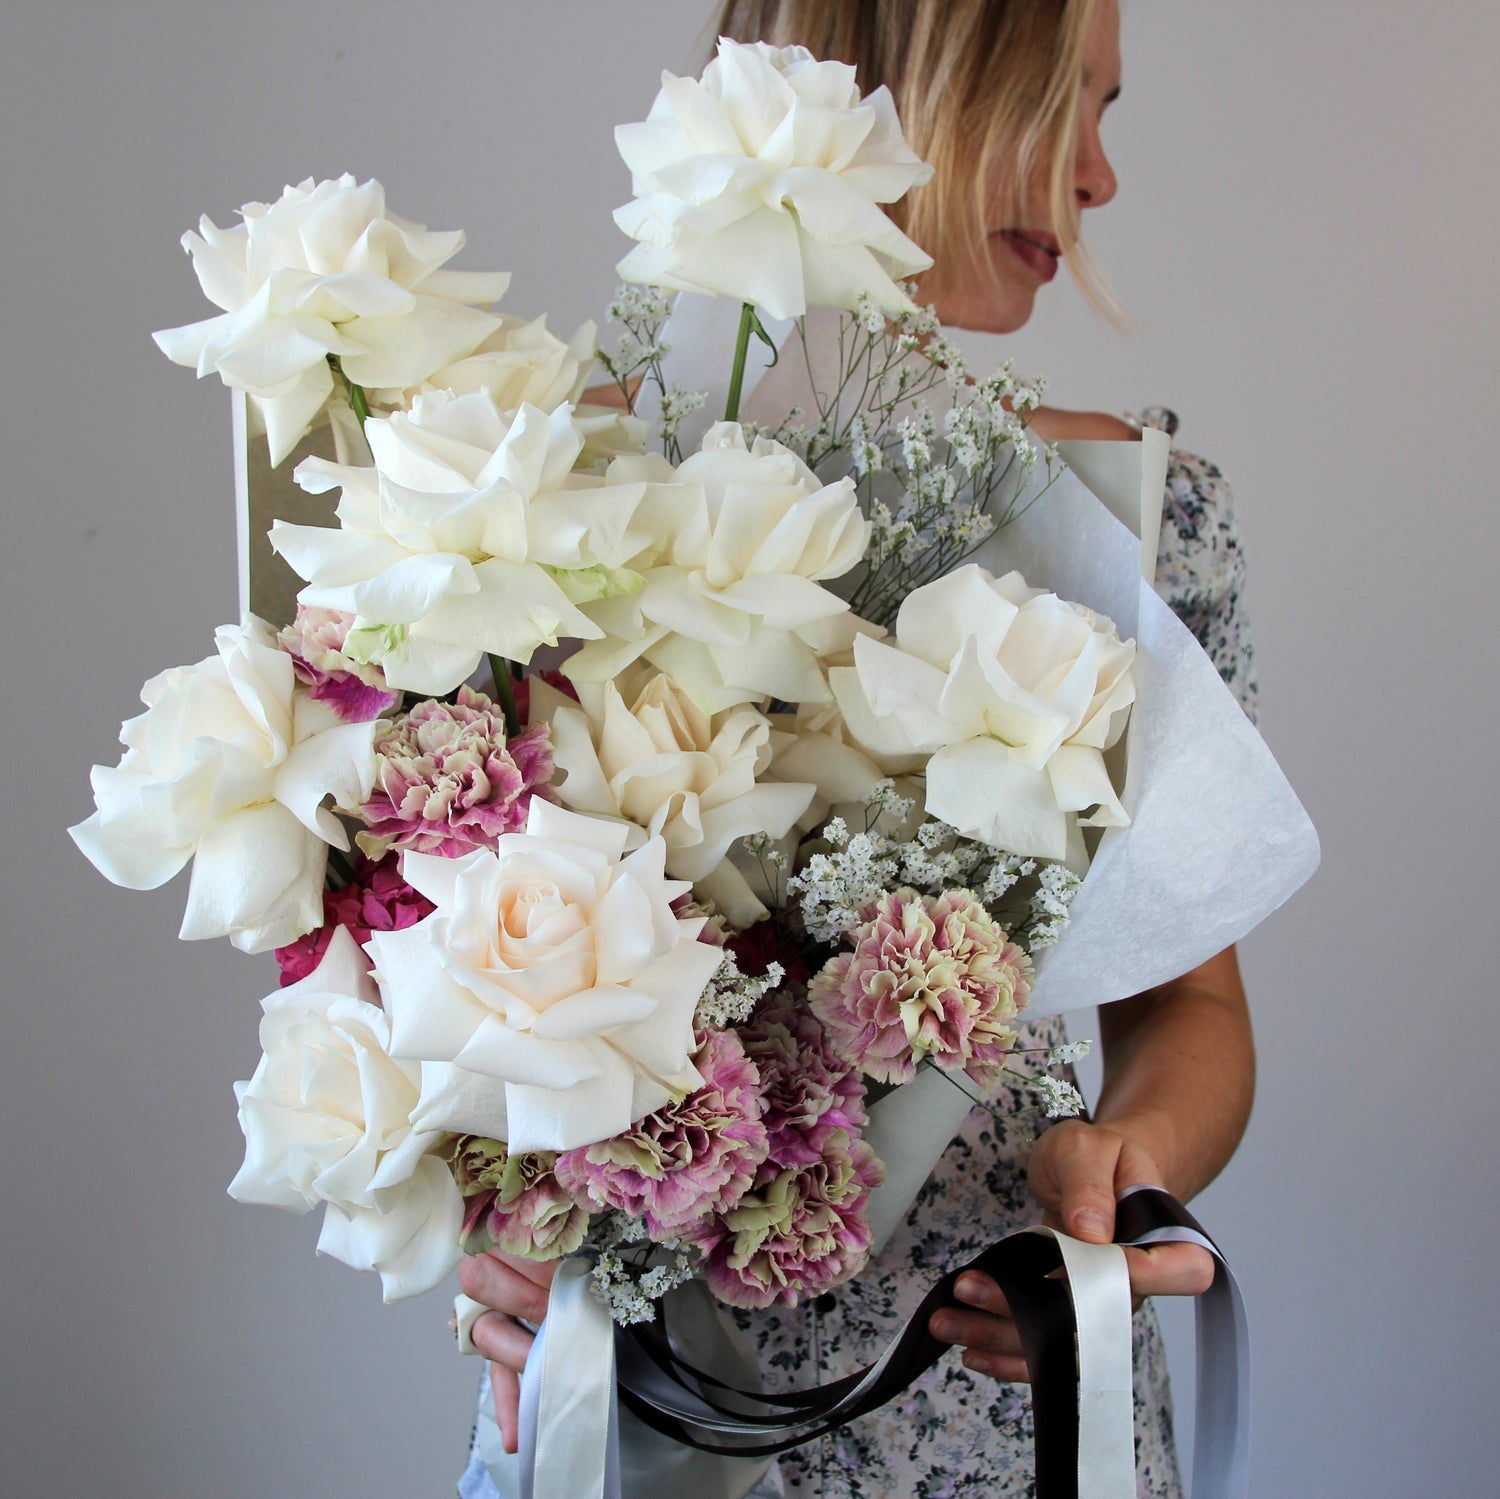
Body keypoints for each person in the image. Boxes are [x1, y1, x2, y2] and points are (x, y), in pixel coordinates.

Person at [459, 1, 1257, 1494]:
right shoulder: (528, 504)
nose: (1099, 179)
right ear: (927, 76)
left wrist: (1121, 1177)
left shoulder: (1138, 521)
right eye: (1068, 103)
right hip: (619, 1392)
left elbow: (1190, 1003)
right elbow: (416, 948)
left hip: (991, 1382)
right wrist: (473, 1221)